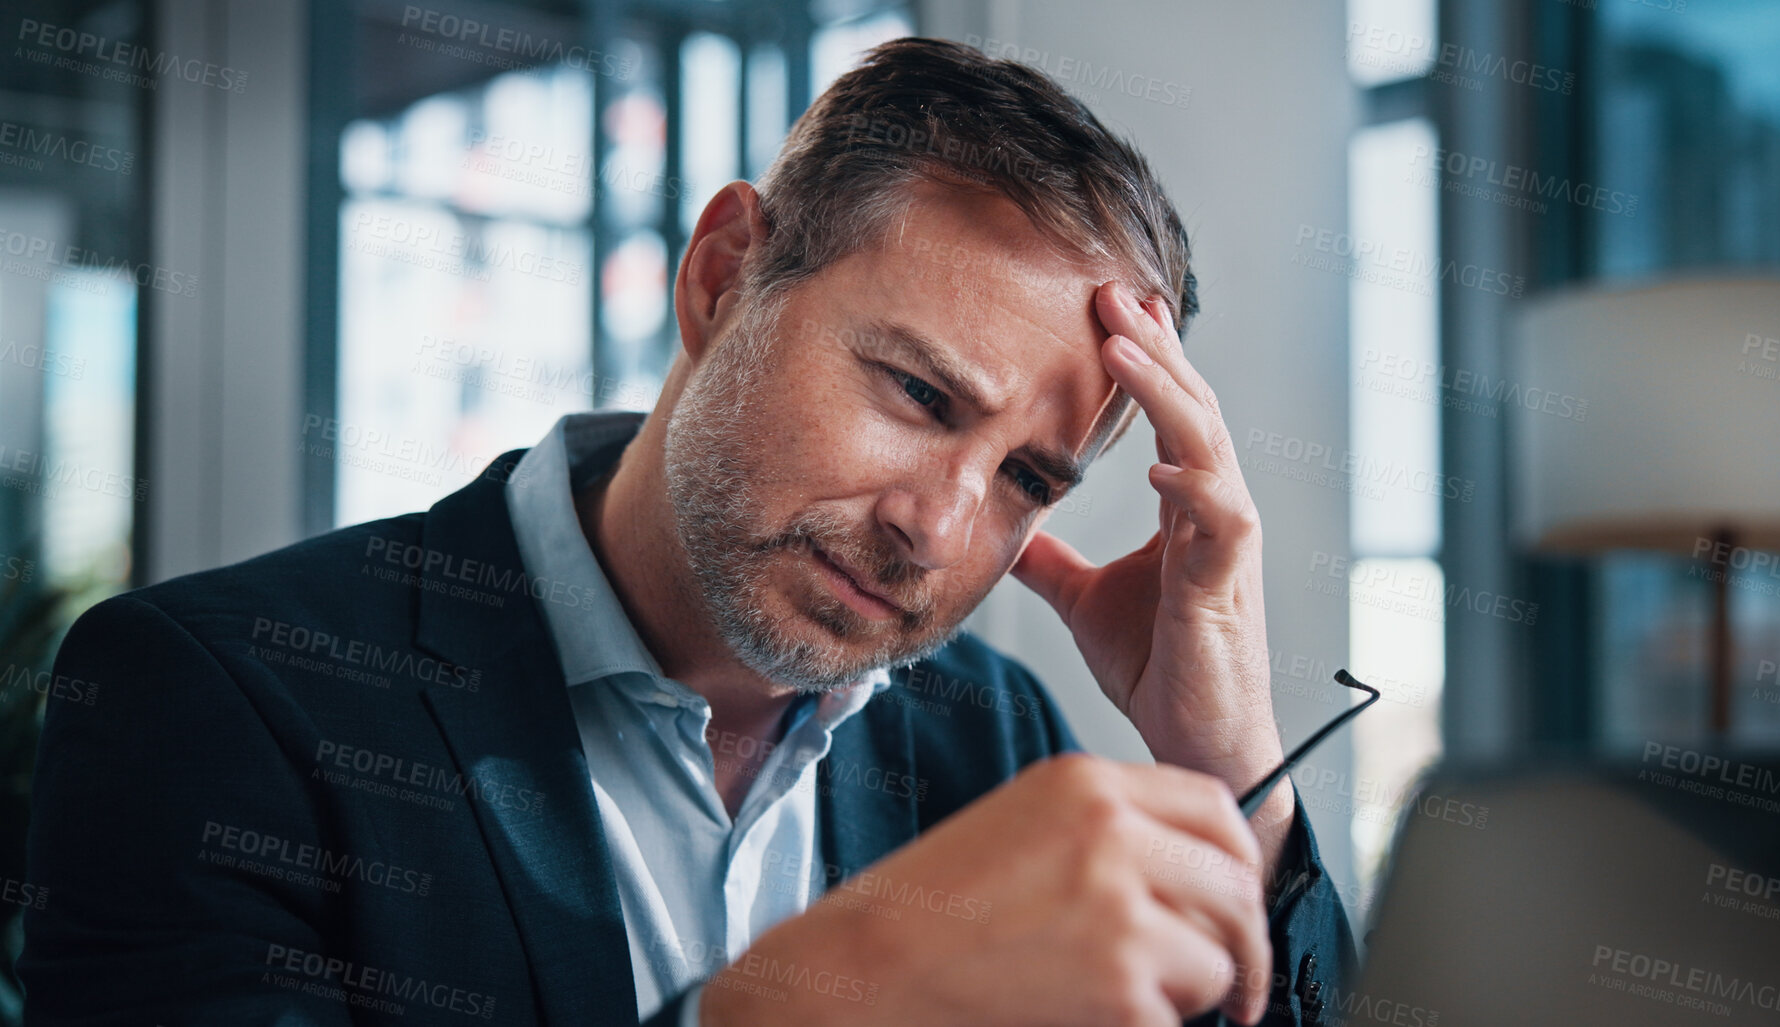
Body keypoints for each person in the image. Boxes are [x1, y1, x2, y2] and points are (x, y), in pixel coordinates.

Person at [20, 37, 1354, 1027]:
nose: (935, 526)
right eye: (918, 394)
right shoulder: (205, 696)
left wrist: (1227, 765)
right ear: (724, 278)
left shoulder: (991, 744)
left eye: (1028, 479)